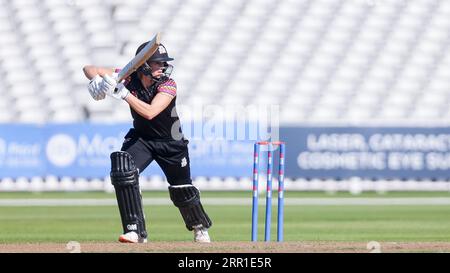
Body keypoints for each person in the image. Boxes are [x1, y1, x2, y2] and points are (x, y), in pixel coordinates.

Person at [82, 43, 212, 243]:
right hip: (142, 138)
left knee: (181, 189)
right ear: (143, 66)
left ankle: (199, 227)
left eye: (164, 63)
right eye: (158, 63)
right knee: (123, 169)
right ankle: (135, 231)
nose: (163, 67)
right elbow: (89, 68)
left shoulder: (168, 84)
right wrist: (95, 81)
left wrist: (123, 94)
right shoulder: (127, 77)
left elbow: (151, 112)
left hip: (171, 142)